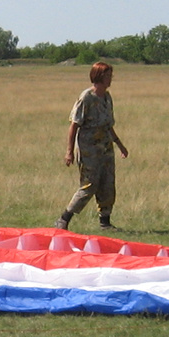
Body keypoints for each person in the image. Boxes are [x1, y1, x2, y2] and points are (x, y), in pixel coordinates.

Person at [56, 61, 129, 231]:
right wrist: (69, 152)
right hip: (89, 151)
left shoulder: (107, 97)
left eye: (111, 75)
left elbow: (108, 125)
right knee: (89, 186)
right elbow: (74, 125)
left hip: (106, 149)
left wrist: (120, 145)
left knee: (107, 184)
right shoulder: (86, 98)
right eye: (107, 75)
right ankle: (64, 218)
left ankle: (105, 222)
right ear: (99, 77)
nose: (110, 79)